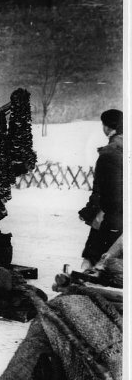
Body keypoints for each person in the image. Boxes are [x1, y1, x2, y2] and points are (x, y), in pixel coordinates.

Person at [79, 109, 123, 271]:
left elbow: (101, 188)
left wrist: (91, 210)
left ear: (106, 127)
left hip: (110, 215)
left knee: (93, 256)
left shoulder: (109, 152)